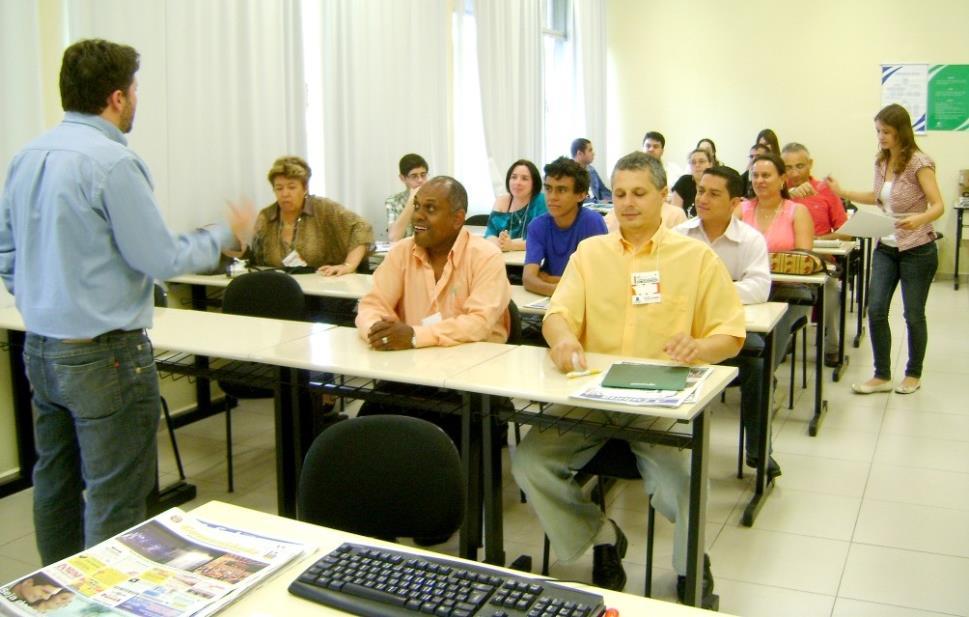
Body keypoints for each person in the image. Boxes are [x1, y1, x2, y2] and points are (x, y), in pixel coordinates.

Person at [0, 39, 251, 565]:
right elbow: (158, 257)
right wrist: (221, 235)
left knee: (55, 483)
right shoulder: (113, 163)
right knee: (118, 494)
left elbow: (7, 251)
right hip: (106, 357)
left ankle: (64, 594)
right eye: (135, 90)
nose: (137, 99)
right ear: (116, 97)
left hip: (41, 349)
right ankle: (107, 599)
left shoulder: (26, 157)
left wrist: (38, 300)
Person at [513, 152, 745, 607]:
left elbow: (731, 333)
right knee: (529, 462)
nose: (627, 203)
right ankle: (601, 536)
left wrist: (700, 348)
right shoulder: (591, 253)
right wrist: (560, 339)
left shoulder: (695, 258)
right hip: (592, 393)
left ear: (663, 196)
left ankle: (688, 563)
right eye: (619, 194)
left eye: (639, 193)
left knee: (685, 481)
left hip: (660, 399)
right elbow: (557, 315)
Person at [355, 176, 511, 449]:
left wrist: (415, 336)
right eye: (417, 206)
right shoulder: (402, 252)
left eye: (430, 209)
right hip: (412, 373)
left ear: (457, 218)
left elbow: (478, 324)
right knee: (364, 433)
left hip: (471, 384)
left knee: (436, 451)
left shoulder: (485, 256)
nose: (418, 215)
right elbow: (372, 304)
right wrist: (378, 331)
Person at [826, 103, 944, 395]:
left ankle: (913, 373)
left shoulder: (920, 162)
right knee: (876, 309)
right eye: (878, 131)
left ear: (901, 132)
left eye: (886, 132)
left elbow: (938, 204)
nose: (881, 136)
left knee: (913, 314)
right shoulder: (881, 162)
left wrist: (920, 218)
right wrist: (843, 193)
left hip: (918, 248)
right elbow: (877, 197)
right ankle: (881, 374)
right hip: (887, 247)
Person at [675, 166, 780, 478]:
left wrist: (708, 294)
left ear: (735, 202)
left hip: (725, 328)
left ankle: (759, 451)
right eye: (701, 190)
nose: (703, 198)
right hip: (680, 327)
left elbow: (759, 288)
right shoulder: (680, 235)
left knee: (758, 362)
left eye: (714, 193)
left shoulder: (750, 240)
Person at [782, 142, 849, 366]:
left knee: (830, 290)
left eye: (799, 166)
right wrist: (787, 196)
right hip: (785, 263)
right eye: (788, 167)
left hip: (820, 262)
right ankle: (783, 338)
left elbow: (846, 232)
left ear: (810, 164)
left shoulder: (825, 190)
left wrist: (818, 240)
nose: (793, 173)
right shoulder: (778, 194)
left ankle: (831, 344)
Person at [250, 156, 373, 276]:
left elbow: (361, 227)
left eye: (291, 187)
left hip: (324, 288)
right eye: (279, 188)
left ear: (305, 188)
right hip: (280, 288)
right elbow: (255, 260)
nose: (285, 194)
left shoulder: (324, 209)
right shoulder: (266, 216)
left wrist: (348, 265)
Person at [522, 157, 607, 296]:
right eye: (548, 189)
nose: (552, 197)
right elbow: (528, 279)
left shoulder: (593, 222)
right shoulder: (537, 226)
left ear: (580, 195)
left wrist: (548, 279)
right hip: (553, 303)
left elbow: (597, 282)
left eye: (561, 190)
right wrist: (565, 290)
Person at [483, 159, 547, 252]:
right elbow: (489, 234)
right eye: (513, 177)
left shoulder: (541, 201)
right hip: (502, 259)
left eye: (524, 178)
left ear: (534, 183)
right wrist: (499, 243)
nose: (517, 182)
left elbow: (542, 239)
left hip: (531, 261)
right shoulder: (501, 201)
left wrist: (512, 245)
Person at [385, 153, 429, 241]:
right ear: (402, 178)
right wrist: (411, 202)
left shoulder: (437, 198)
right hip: (406, 251)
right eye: (414, 176)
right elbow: (394, 237)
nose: (420, 180)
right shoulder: (393, 201)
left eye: (423, 175)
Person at [671, 148, 714, 217]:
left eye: (701, 161)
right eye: (693, 162)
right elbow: (674, 214)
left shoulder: (717, 185)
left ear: (710, 164)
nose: (697, 165)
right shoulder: (684, 182)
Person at [571, 138, 611, 202]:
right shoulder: (569, 173)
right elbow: (579, 199)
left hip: (598, 206)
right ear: (579, 154)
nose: (593, 153)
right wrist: (599, 202)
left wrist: (615, 199)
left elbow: (603, 190)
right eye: (590, 150)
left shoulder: (591, 169)